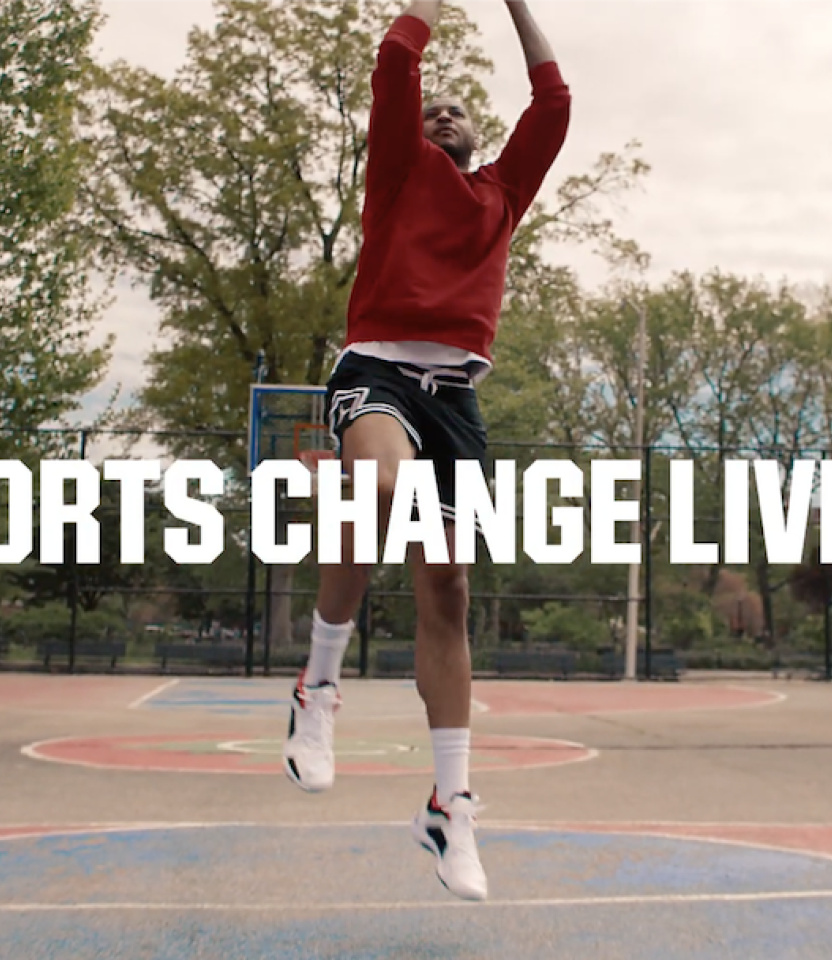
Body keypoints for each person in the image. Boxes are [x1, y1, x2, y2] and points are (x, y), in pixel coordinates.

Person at [282, 0, 570, 902]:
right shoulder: (401, 171)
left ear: (479, 138)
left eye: (458, 111)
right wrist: (430, 8)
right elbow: (396, 63)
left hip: (458, 404)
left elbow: (554, 103)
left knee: (447, 585)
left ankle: (451, 805)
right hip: (379, 369)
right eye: (433, 108)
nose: (442, 113)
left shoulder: (501, 194)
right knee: (377, 488)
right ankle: (317, 690)